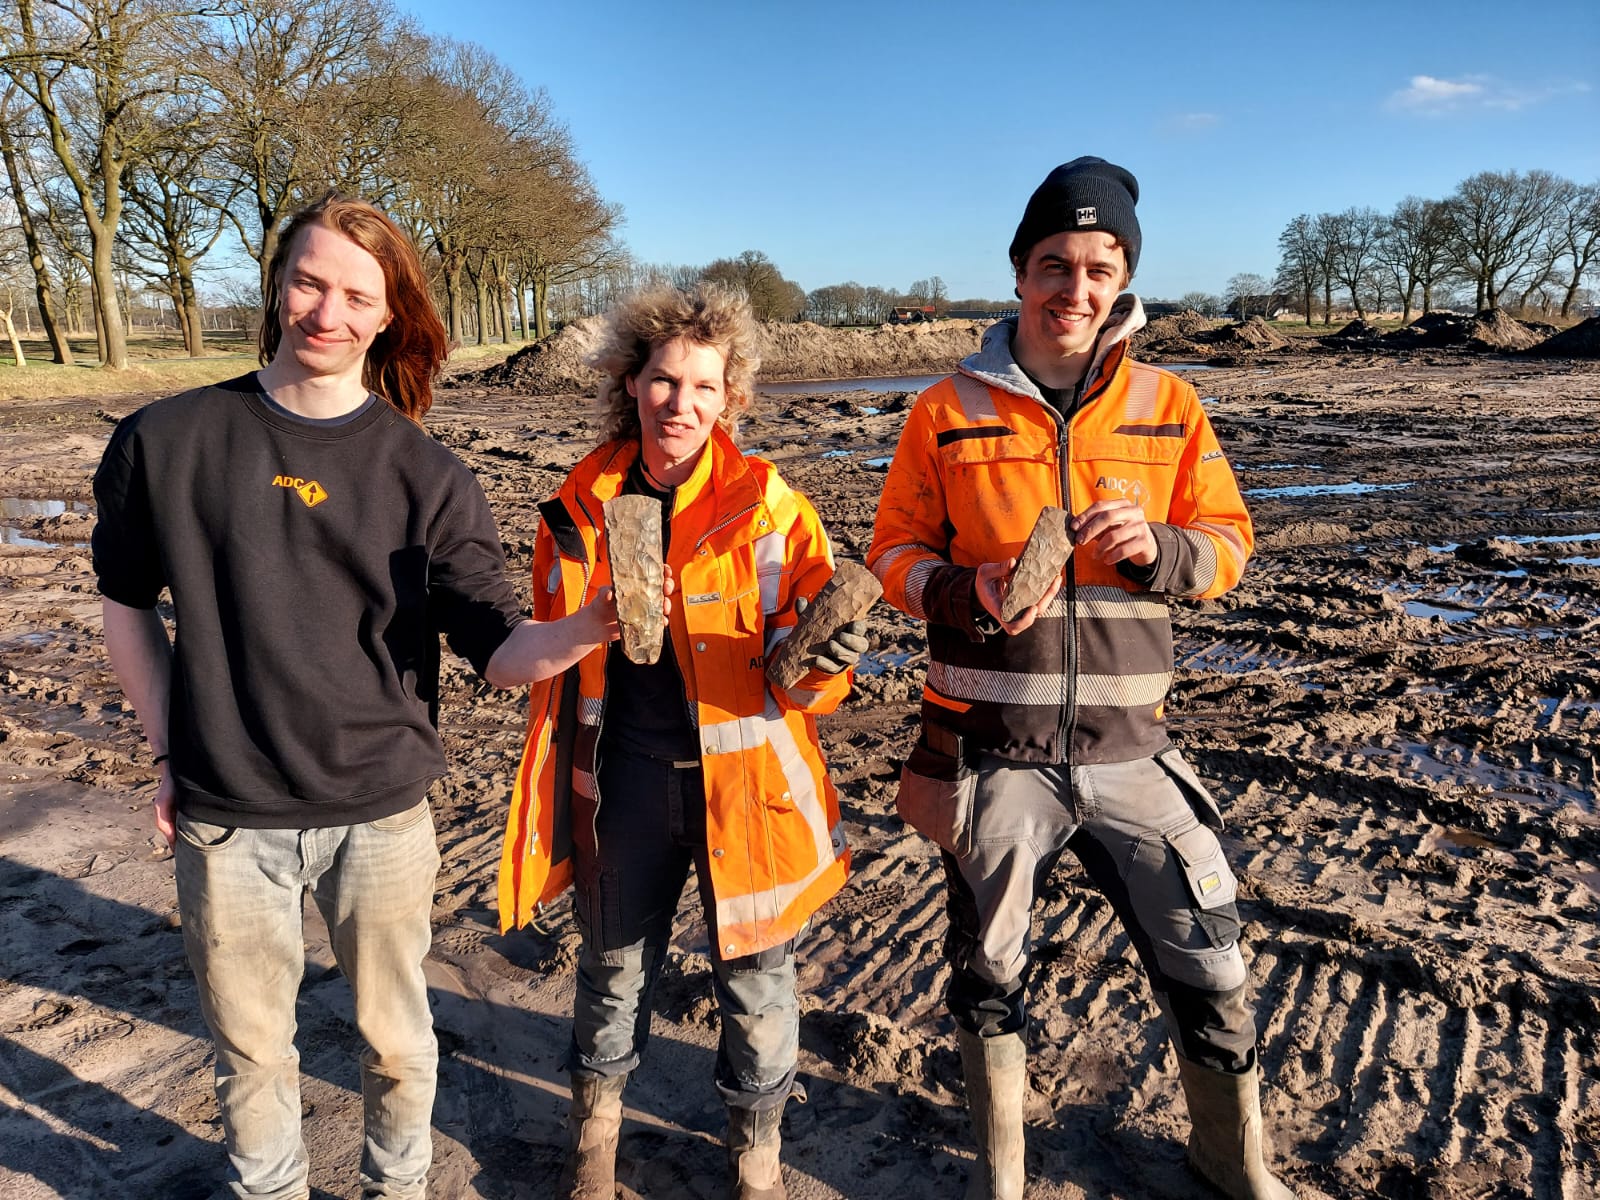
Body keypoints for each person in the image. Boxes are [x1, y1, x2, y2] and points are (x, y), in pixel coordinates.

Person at [94, 194, 617, 1200]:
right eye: (308, 282)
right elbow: (127, 604)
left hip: (382, 813)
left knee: (396, 1043)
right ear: (276, 285)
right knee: (250, 1053)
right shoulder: (167, 441)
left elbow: (496, 649)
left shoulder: (425, 474)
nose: (326, 312)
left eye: (355, 295)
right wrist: (166, 754)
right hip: (227, 813)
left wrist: (583, 634)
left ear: (389, 315)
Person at [867, 158, 1294, 1200]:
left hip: (1132, 751)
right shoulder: (946, 408)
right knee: (987, 969)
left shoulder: (1169, 404)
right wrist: (959, 590)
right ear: (1018, 273)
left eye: (1100, 266)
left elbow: (1230, 545)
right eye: (1054, 263)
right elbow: (888, 553)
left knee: (1210, 955)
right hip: (993, 756)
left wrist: (1159, 550)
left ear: (1124, 279)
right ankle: (1001, 1175)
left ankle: (1231, 1162)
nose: (1076, 287)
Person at [495, 283, 864, 1200]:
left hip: (749, 786)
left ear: (731, 395)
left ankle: (758, 1163)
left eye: (704, 386)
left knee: (758, 983)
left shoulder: (770, 506)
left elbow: (811, 682)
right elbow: (547, 653)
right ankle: (595, 1149)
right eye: (664, 381)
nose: (681, 404)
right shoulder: (576, 507)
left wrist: (828, 655)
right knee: (613, 971)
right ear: (630, 383)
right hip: (623, 779)